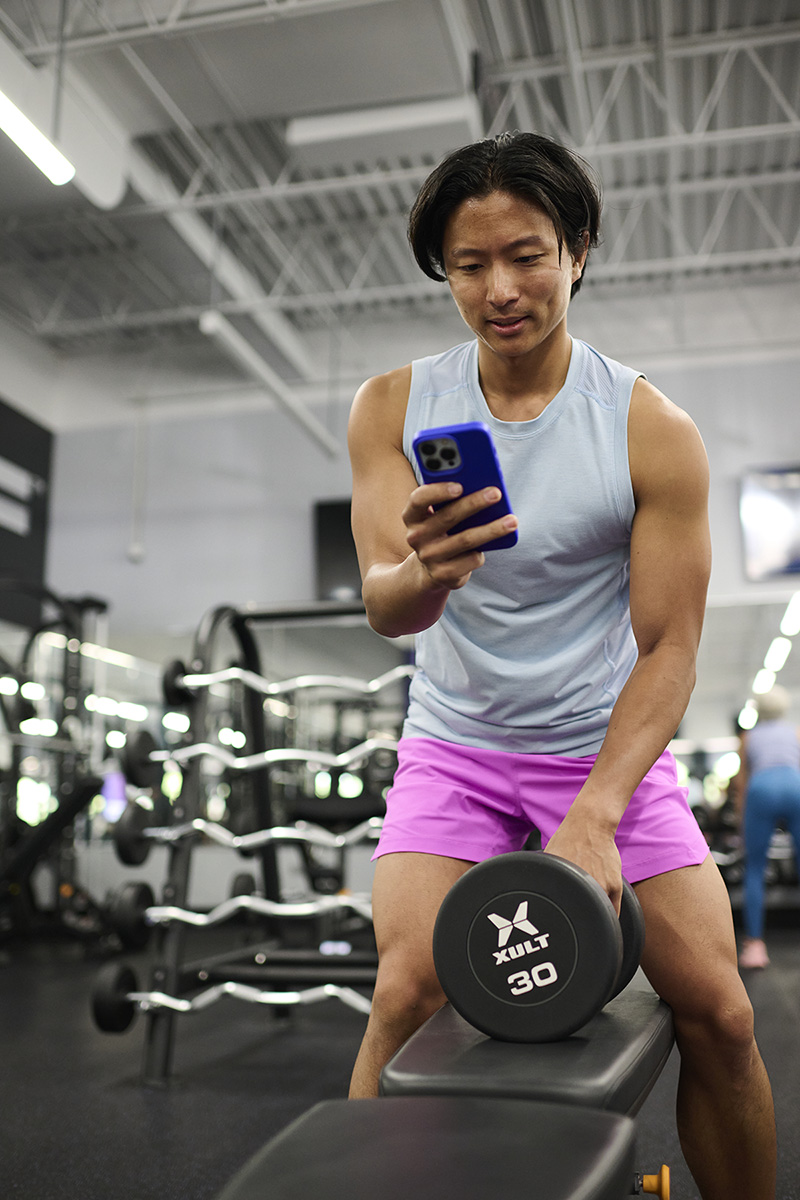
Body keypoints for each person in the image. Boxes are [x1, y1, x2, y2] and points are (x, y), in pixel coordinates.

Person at [346, 131, 776, 1199]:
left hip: (602, 745)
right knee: (405, 992)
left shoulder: (647, 429)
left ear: (578, 249)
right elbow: (380, 604)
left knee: (718, 1010)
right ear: (443, 273)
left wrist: (595, 808)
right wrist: (429, 572)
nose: (499, 288)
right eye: (468, 265)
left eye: (526, 255)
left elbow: (670, 647)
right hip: (455, 744)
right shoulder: (390, 407)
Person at [736, 685, 800, 969]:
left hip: (762, 788)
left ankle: (755, 946)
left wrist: (741, 819)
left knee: (755, 868)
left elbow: (741, 783)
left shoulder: (748, 737)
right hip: (794, 785)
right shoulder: (795, 732)